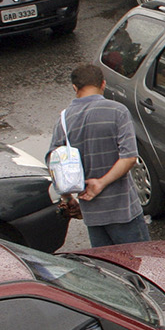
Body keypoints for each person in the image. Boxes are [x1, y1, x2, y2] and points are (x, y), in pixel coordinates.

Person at [47, 64, 149, 248]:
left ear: (75, 88)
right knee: (140, 263)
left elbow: (54, 163)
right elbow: (129, 157)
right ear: (103, 84)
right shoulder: (118, 111)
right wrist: (101, 182)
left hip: (92, 214)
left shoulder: (63, 120)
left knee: (109, 268)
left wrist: (68, 198)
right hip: (124, 210)